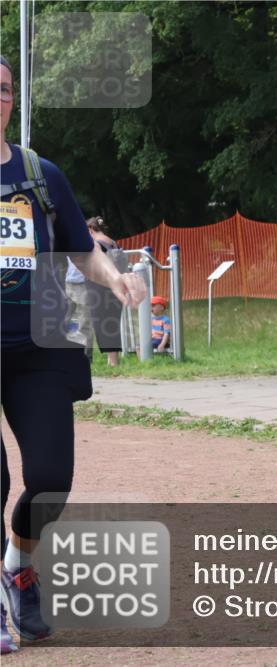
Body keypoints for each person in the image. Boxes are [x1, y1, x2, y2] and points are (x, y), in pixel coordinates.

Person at [0, 54, 145, 655]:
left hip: (40, 343)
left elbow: (82, 249)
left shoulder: (41, 175)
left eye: (4, 89)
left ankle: (16, 568)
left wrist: (115, 279)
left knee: (51, 481)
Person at [85, 217, 126, 367]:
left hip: (99, 287)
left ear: (90, 229)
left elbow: (97, 265)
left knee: (103, 323)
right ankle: (112, 360)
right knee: (112, 322)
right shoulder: (113, 242)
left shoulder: (95, 244)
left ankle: (113, 361)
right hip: (116, 286)